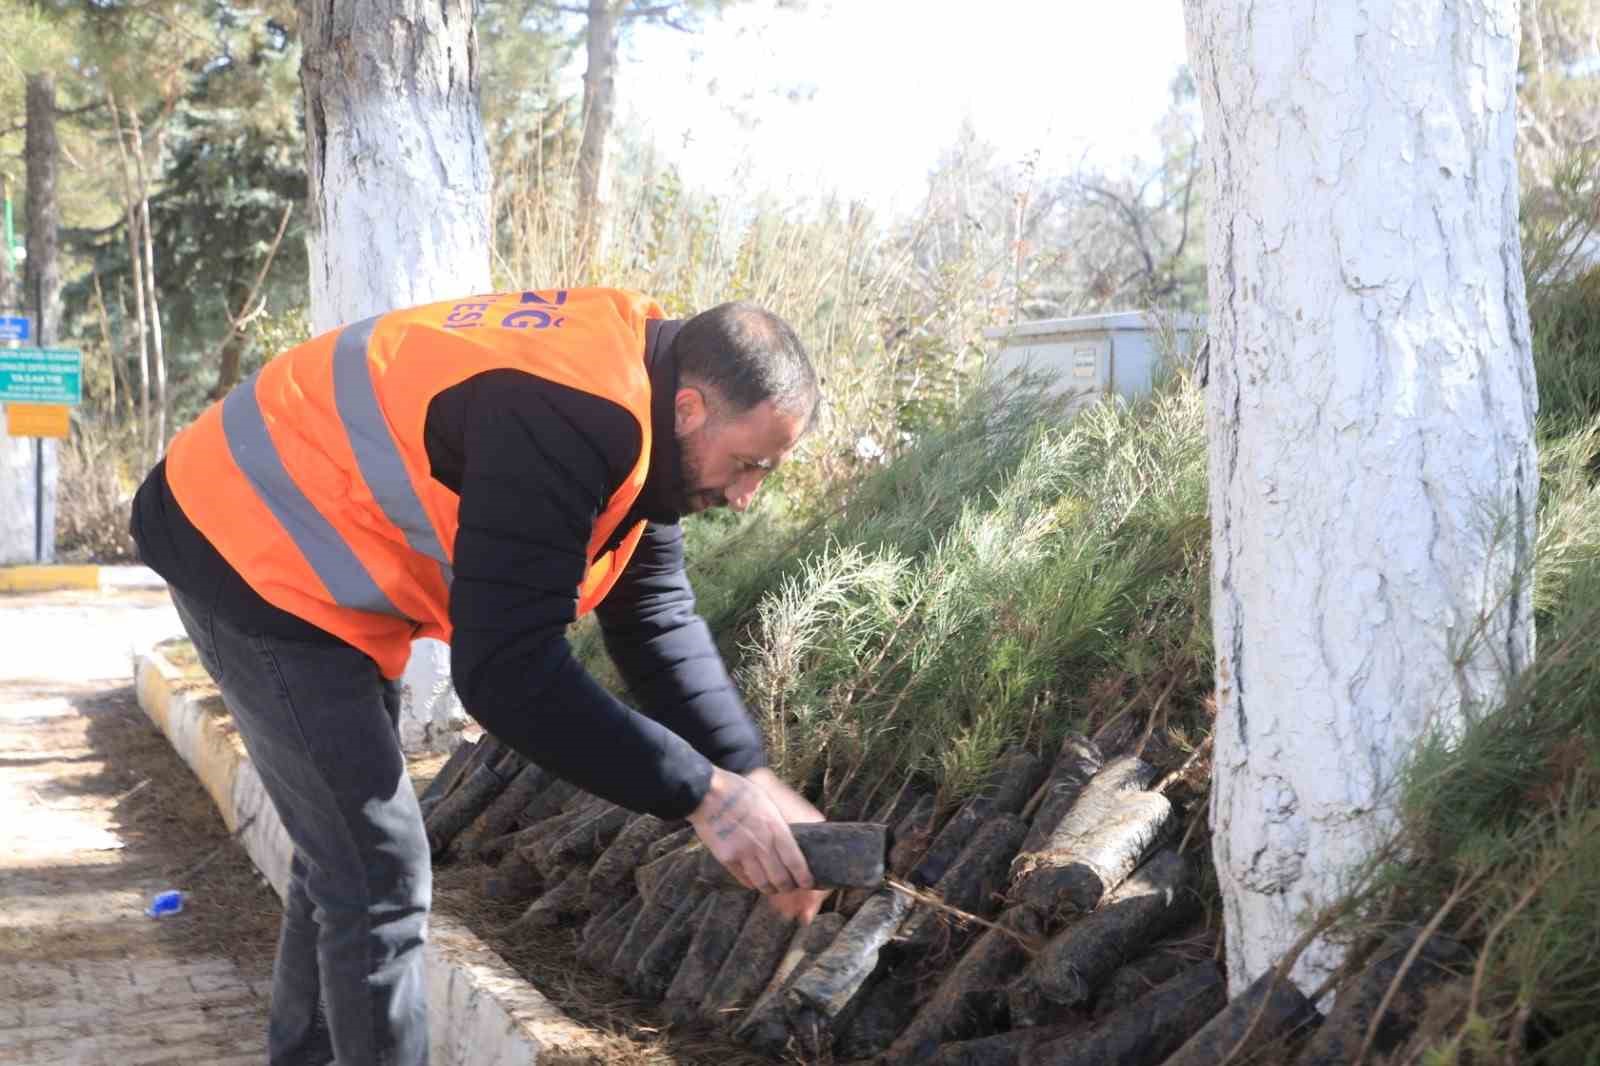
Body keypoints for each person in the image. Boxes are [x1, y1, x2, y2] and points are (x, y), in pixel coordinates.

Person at [129, 288, 828, 1066]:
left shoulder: (646, 414)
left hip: (316, 564)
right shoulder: (569, 412)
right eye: (748, 465)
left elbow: (656, 620)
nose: (744, 495)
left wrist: (749, 773)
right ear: (693, 408)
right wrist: (701, 793)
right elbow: (506, 674)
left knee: (349, 857)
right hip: (244, 542)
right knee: (379, 874)